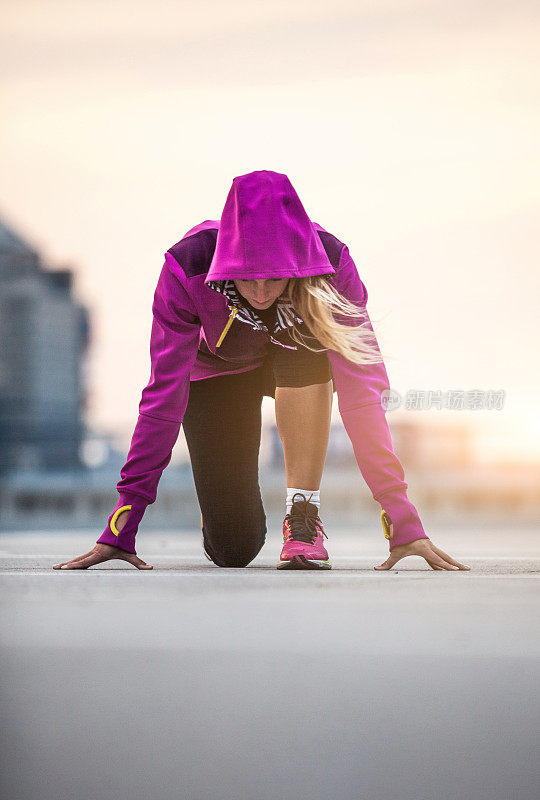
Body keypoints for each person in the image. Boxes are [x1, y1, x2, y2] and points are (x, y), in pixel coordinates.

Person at [53, 170, 470, 572]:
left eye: (274, 278)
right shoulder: (186, 265)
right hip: (216, 371)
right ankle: (218, 506)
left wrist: (402, 519)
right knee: (233, 548)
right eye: (247, 279)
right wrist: (121, 527)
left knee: (308, 342)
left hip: (297, 356)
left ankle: (303, 516)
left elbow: (363, 395)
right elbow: (162, 397)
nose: (261, 293)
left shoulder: (331, 262)